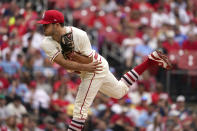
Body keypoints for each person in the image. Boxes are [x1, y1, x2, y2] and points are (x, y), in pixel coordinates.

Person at [37, 10, 172, 131]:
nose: (43, 26)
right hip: (87, 69)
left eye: (46, 24)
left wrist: (74, 56)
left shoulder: (79, 35)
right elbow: (63, 63)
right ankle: (151, 60)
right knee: (120, 92)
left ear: (56, 25)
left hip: (95, 66)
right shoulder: (46, 42)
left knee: (79, 108)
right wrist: (74, 58)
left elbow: (89, 62)